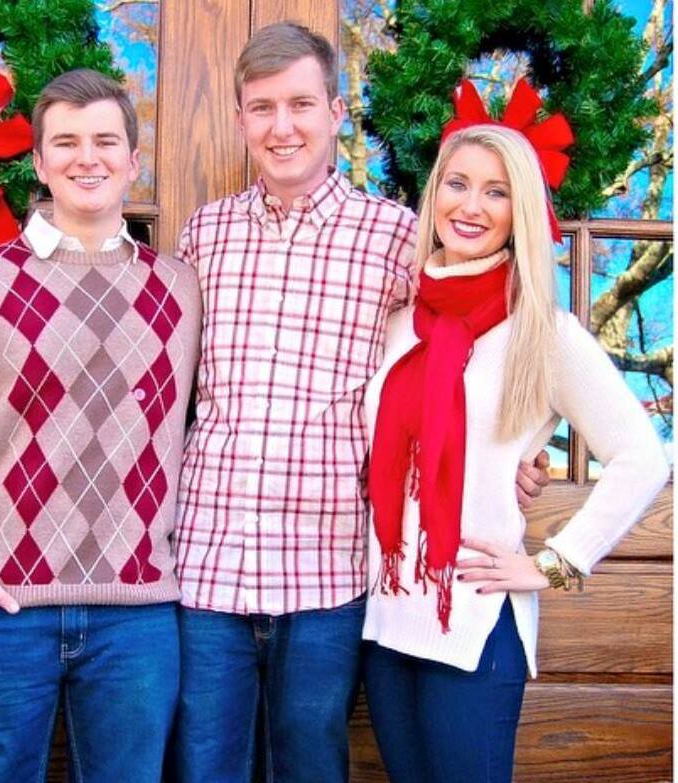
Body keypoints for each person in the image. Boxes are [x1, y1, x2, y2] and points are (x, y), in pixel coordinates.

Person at [170, 24, 548, 783]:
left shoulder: (397, 238)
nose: (282, 126)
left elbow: (488, 342)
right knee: (205, 766)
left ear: (337, 111)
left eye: (301, 104)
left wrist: (515, 448)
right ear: (240, 119)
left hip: (330, 574)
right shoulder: (204, 234)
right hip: (206, 568)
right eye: (262, 108)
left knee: (313, 763)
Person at [0, 69, 200, 782]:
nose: (86, 158)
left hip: (138, 614)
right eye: (65, 142)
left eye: (105, 141)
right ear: (37, 161)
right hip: (3, 609)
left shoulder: (179, 288)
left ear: (133, 160)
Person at [361, 114, 669, 783]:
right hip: (385, 621)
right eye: (458, 183)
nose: (471, 206)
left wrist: (556, 563)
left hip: (473, 622)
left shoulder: (542, 331)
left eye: (496, 192)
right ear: (434, 195)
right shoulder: (397, 323)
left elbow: (643, 457)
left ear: (519, 212)